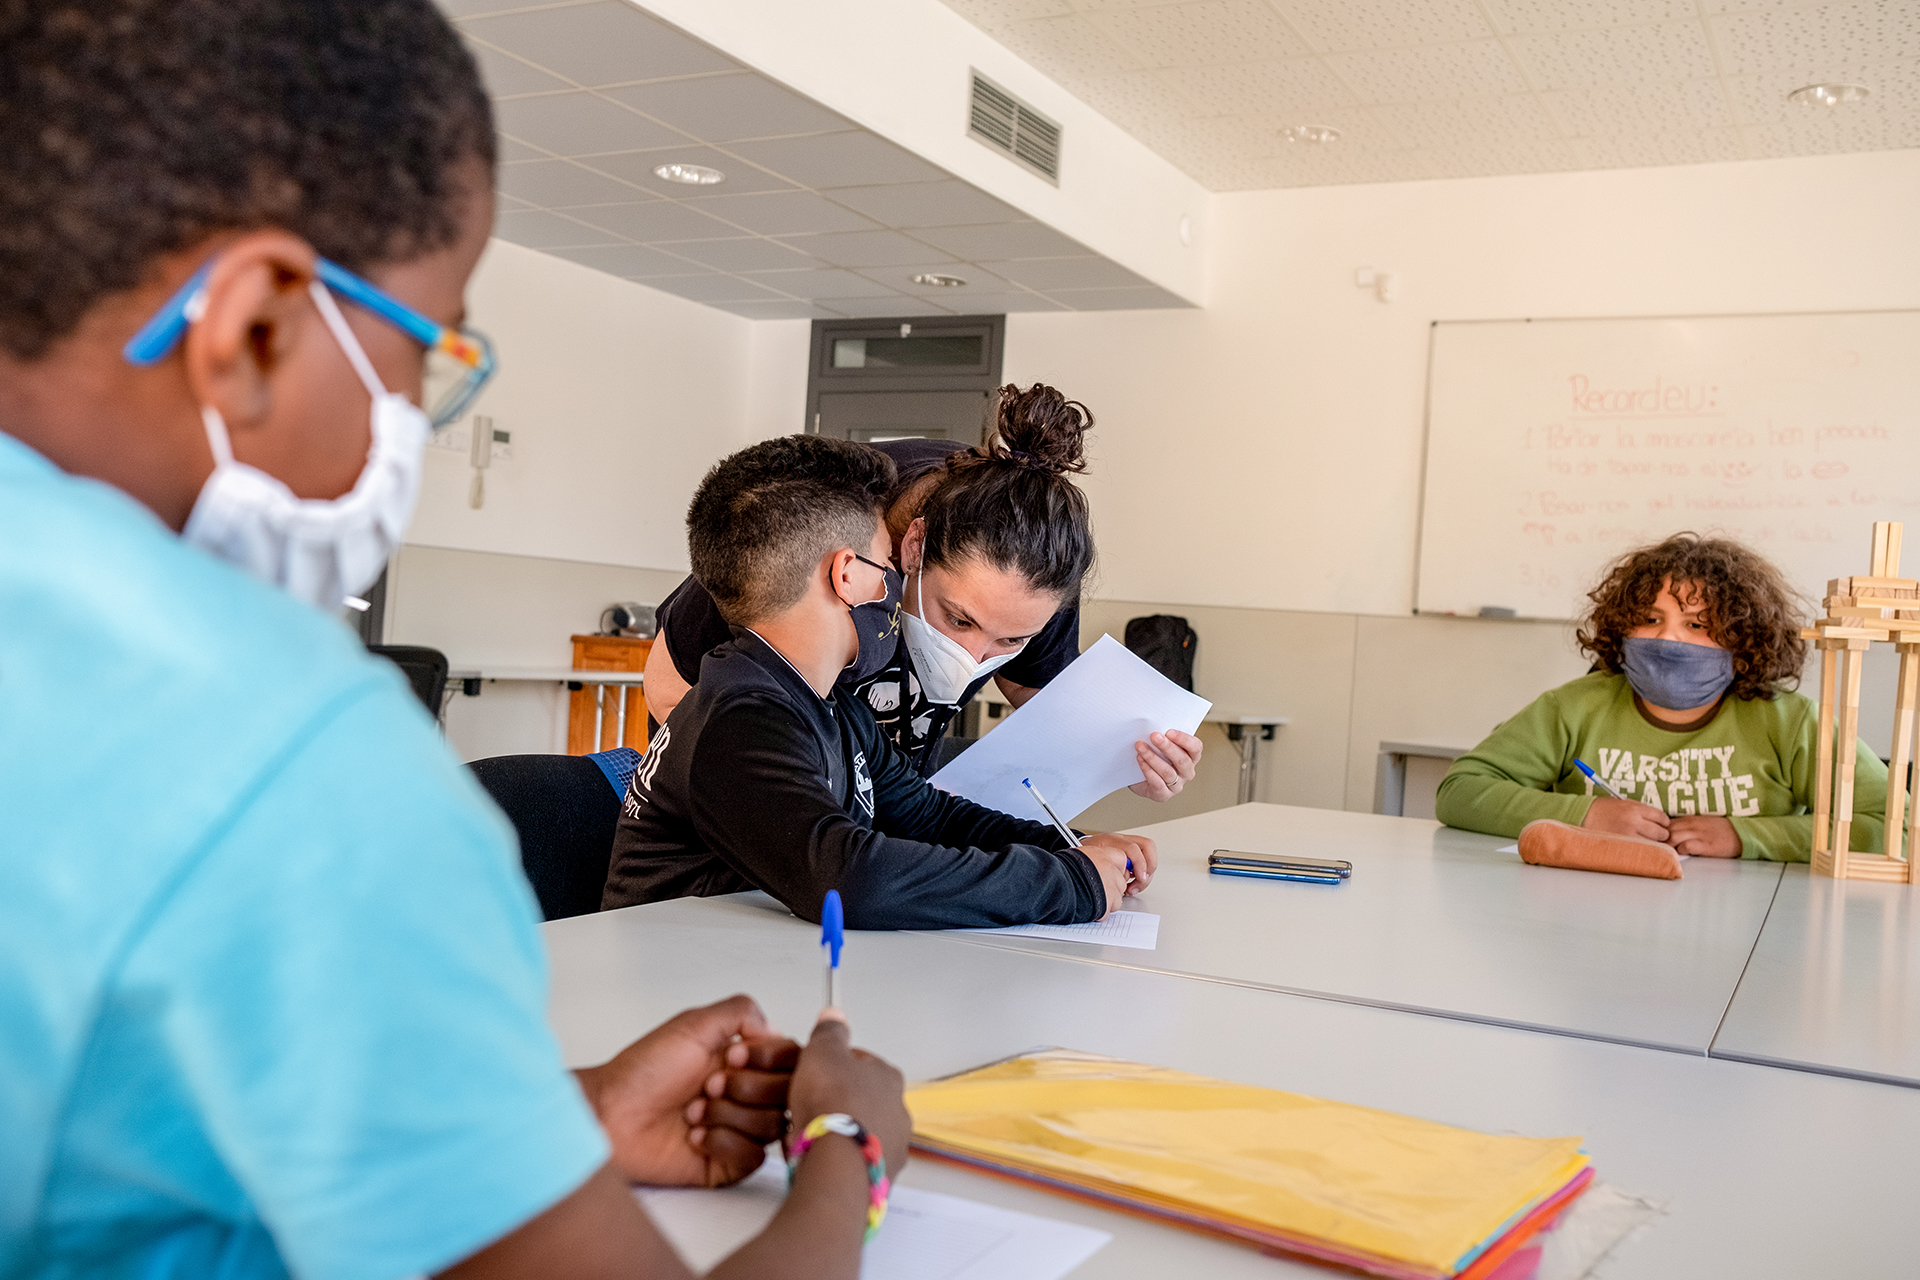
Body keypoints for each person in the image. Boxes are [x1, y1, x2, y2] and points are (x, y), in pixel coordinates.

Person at [0, 3, 907, 1277]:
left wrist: (541, 1126)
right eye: (419, 352)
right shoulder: (283, 760)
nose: (407, 422)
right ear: (257, 323)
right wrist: (845, 1156)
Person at [601, 435, 1157, 926]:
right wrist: (1069, 884)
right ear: (846, 574)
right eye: (885, 560)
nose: (894, 580)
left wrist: (1072, 847)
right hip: (679, 989)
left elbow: (926, 815)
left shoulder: (832, 704)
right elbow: (852, 881)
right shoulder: (741, 715)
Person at [642, 389, 1203, 799]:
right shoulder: (839, 519)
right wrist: (809, 790)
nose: (973, 659)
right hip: (752, 788)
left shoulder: (1039, 572)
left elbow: (1053, 723)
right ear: (910, 549)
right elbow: (666, 686)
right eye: (958, 620)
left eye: (1010, 639)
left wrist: (1132, 764)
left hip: (880, 800)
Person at [1435, 534, 1887, 860]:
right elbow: (1461, 791)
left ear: (1744, 640)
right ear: (1621, 627)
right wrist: (1586, 813)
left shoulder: (1792, 723)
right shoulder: (1573, 708)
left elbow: (1894, 826)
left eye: (1697, 624)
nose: (1668, 638)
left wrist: (1746, 837)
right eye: (1649, 618)